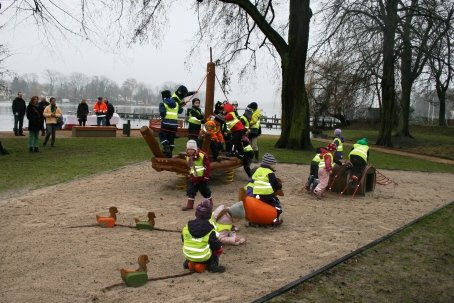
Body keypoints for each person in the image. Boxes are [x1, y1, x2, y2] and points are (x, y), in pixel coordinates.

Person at [182, 199, 225, 273]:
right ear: (209, 215)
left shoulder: (186, 226)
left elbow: (183, 239)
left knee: (192, 243)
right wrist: (219, 245)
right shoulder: (210, 229)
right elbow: (215, 245)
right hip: (203, 256)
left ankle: (188, 262)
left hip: (187, 254)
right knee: (217, 248)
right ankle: (213, 266)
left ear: (196, 213)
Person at [250, 153, 283, 226]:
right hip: (267, 195)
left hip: (257, 194)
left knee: (257, 207)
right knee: (277, 205)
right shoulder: (270, 172)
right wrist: (280, 186)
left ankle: (253, 221)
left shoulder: (258, 170)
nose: (275, 165)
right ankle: (275, 220)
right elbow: (274, 185)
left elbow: (252, 179)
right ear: (270, 164)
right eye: (274, 164)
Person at [182, 139, 212, 211]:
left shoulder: (202, 155)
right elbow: (190, 167)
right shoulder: (187, 157)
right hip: (193, 178)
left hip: (202, 178)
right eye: (189, 149)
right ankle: (190, 205)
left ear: (195, 149)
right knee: (190, 191)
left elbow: (207, 166)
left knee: (205, 192)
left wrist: (206, 177)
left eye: (192, 149)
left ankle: (209, 204)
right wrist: (189, 174)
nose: (190, 151)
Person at [159, 90, 183, 158]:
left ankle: (166, 148)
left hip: (166, 123)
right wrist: (180, 105)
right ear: (170, 95)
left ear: (163, 97)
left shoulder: (163, 103)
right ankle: (169, 154)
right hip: (174, 125)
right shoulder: (176, 103)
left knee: (162, 135)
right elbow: (180, 111)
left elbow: (162, 113)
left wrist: (162, 116)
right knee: (171, 138)